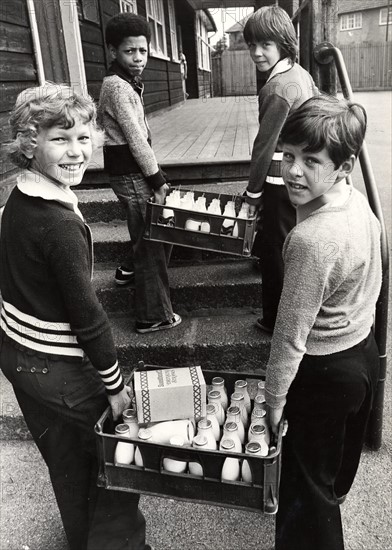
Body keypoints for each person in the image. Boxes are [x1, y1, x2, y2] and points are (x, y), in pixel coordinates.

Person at [0, 83, 151, 550]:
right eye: (59, 139)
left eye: (84, 138)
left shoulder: (15, 198)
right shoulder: (59, 224)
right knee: (114, 469)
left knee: (69, 469)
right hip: (62, 371)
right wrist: (114, 385)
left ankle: (82, 540)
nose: (76, 151)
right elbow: (88, 317)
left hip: (21, 359)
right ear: (29, 142)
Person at [265, 96, 382, 550]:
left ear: (344, 164)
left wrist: (275, 399)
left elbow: (290, 333)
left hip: (324, 372)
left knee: (307, 496)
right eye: (288, 156)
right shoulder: (355, 204)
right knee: (331, 474)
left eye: (310, 161)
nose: (293, 171)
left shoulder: (313, 240)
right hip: (361, 355)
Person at [98, 12, 181, 334]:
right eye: (129, 51)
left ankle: (128, 270)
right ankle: (152, 316)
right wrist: (157, 179)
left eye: (143, 51)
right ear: (113, 52)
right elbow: (135, 137)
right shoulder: (118, 87)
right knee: (152, 244)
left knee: (154, 233)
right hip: (132, 175)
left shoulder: (126, 82)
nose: (138, 59)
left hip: (132, 173)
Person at [243, 6, 318, 333]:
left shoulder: (276, 88)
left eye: (265, 45)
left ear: (284, 44)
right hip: (303, 178)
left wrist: (252, 193)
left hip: (279, 181)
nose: (256, 53)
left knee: (275, 254)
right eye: (251, 45)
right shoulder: (300, 74)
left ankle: (276, 320)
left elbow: (264, 146)